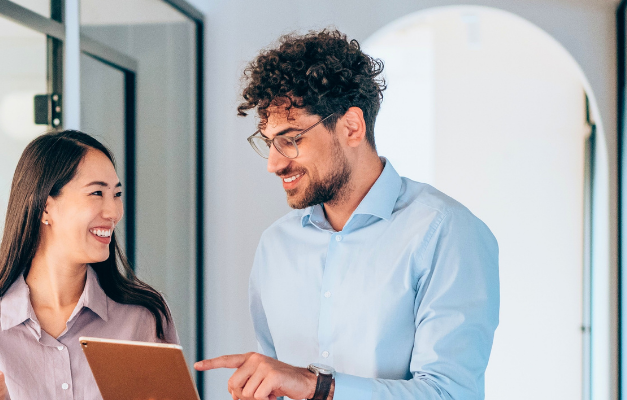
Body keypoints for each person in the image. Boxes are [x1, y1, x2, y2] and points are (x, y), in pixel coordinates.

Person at [194, 29, 499, 400]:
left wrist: (317, 387)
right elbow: (276, 382)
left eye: (291, 139)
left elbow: (452, 394)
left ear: (351, 127)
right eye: (269, 142)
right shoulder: (276, 245)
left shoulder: (446, 232)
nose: (274, 164)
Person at [0, 130, 178, 400]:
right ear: (45, 208)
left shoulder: (143, 317)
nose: (114, 212)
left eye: (116, 194)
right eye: (97, 193)